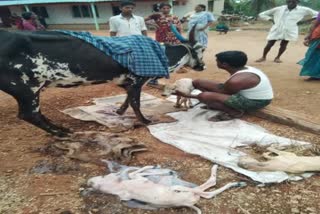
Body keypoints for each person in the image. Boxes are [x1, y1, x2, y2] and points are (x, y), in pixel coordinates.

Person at [175, 51, 274, 121]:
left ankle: (234, 112)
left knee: (203, 96)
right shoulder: (243, 69)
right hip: (240, 93)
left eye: (217, 60)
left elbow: (225, 92)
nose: (216, 62)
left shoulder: (236, 81)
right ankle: (216, 104)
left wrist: (188, 95)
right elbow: (225, 90)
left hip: (256, 101)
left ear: (225, 64)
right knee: (198, 82)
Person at [299, 12, 320, 81]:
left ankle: (315, 75)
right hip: (317, 38)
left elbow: (315, 24)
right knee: (315, 56)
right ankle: (315, 75)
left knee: (315, 56)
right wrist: (309, 36)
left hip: (317, 37)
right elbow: (315, 23)